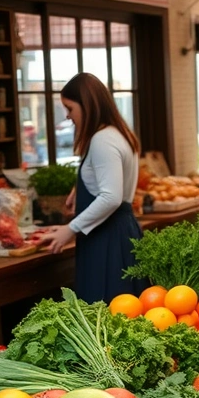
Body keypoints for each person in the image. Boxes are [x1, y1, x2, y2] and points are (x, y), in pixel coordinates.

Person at [37, 73, 147, 303]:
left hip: (107, 237)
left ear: (87, 105)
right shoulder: (117, 133)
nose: (67, 116)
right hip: (120, 231)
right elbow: (112, 180)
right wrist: (81, 187)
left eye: (70, 108)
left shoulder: (102, 140)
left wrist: (71, 229)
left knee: (107, 315)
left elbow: (111, 196)